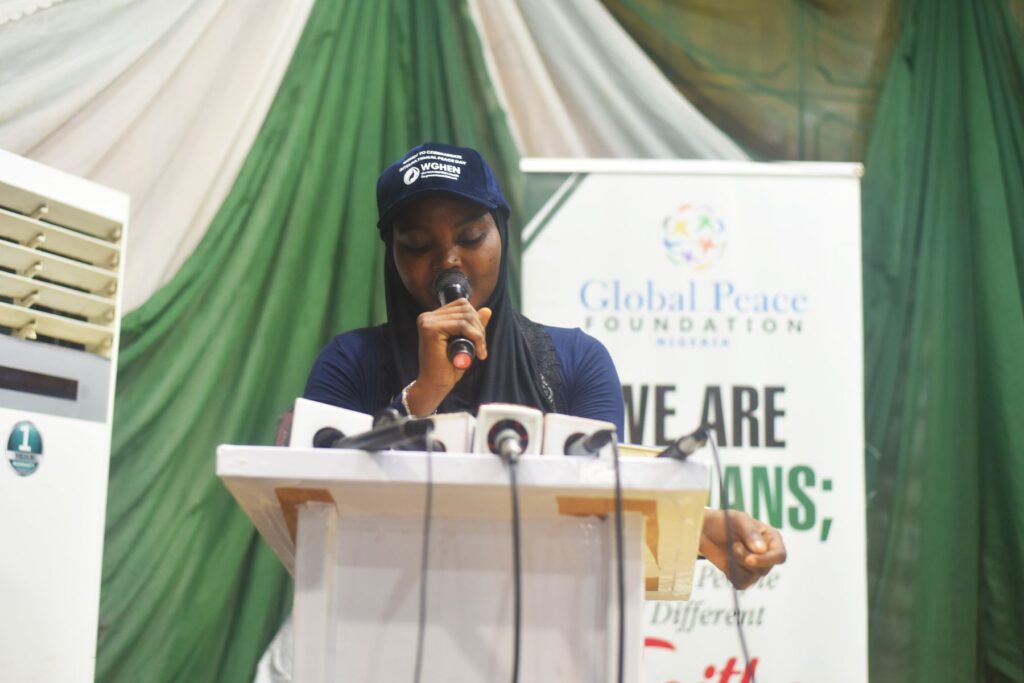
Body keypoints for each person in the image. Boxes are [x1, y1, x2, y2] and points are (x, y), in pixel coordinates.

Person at [304, 141, 785, 589]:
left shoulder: (576, 361)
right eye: (417, 244)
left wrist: (698, 532)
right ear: (392, 256)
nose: (449, 260)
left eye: (471, 236)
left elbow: (597, 517)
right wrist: (423, 393)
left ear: (502, 235)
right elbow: (311, 512)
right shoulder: (349, 364)